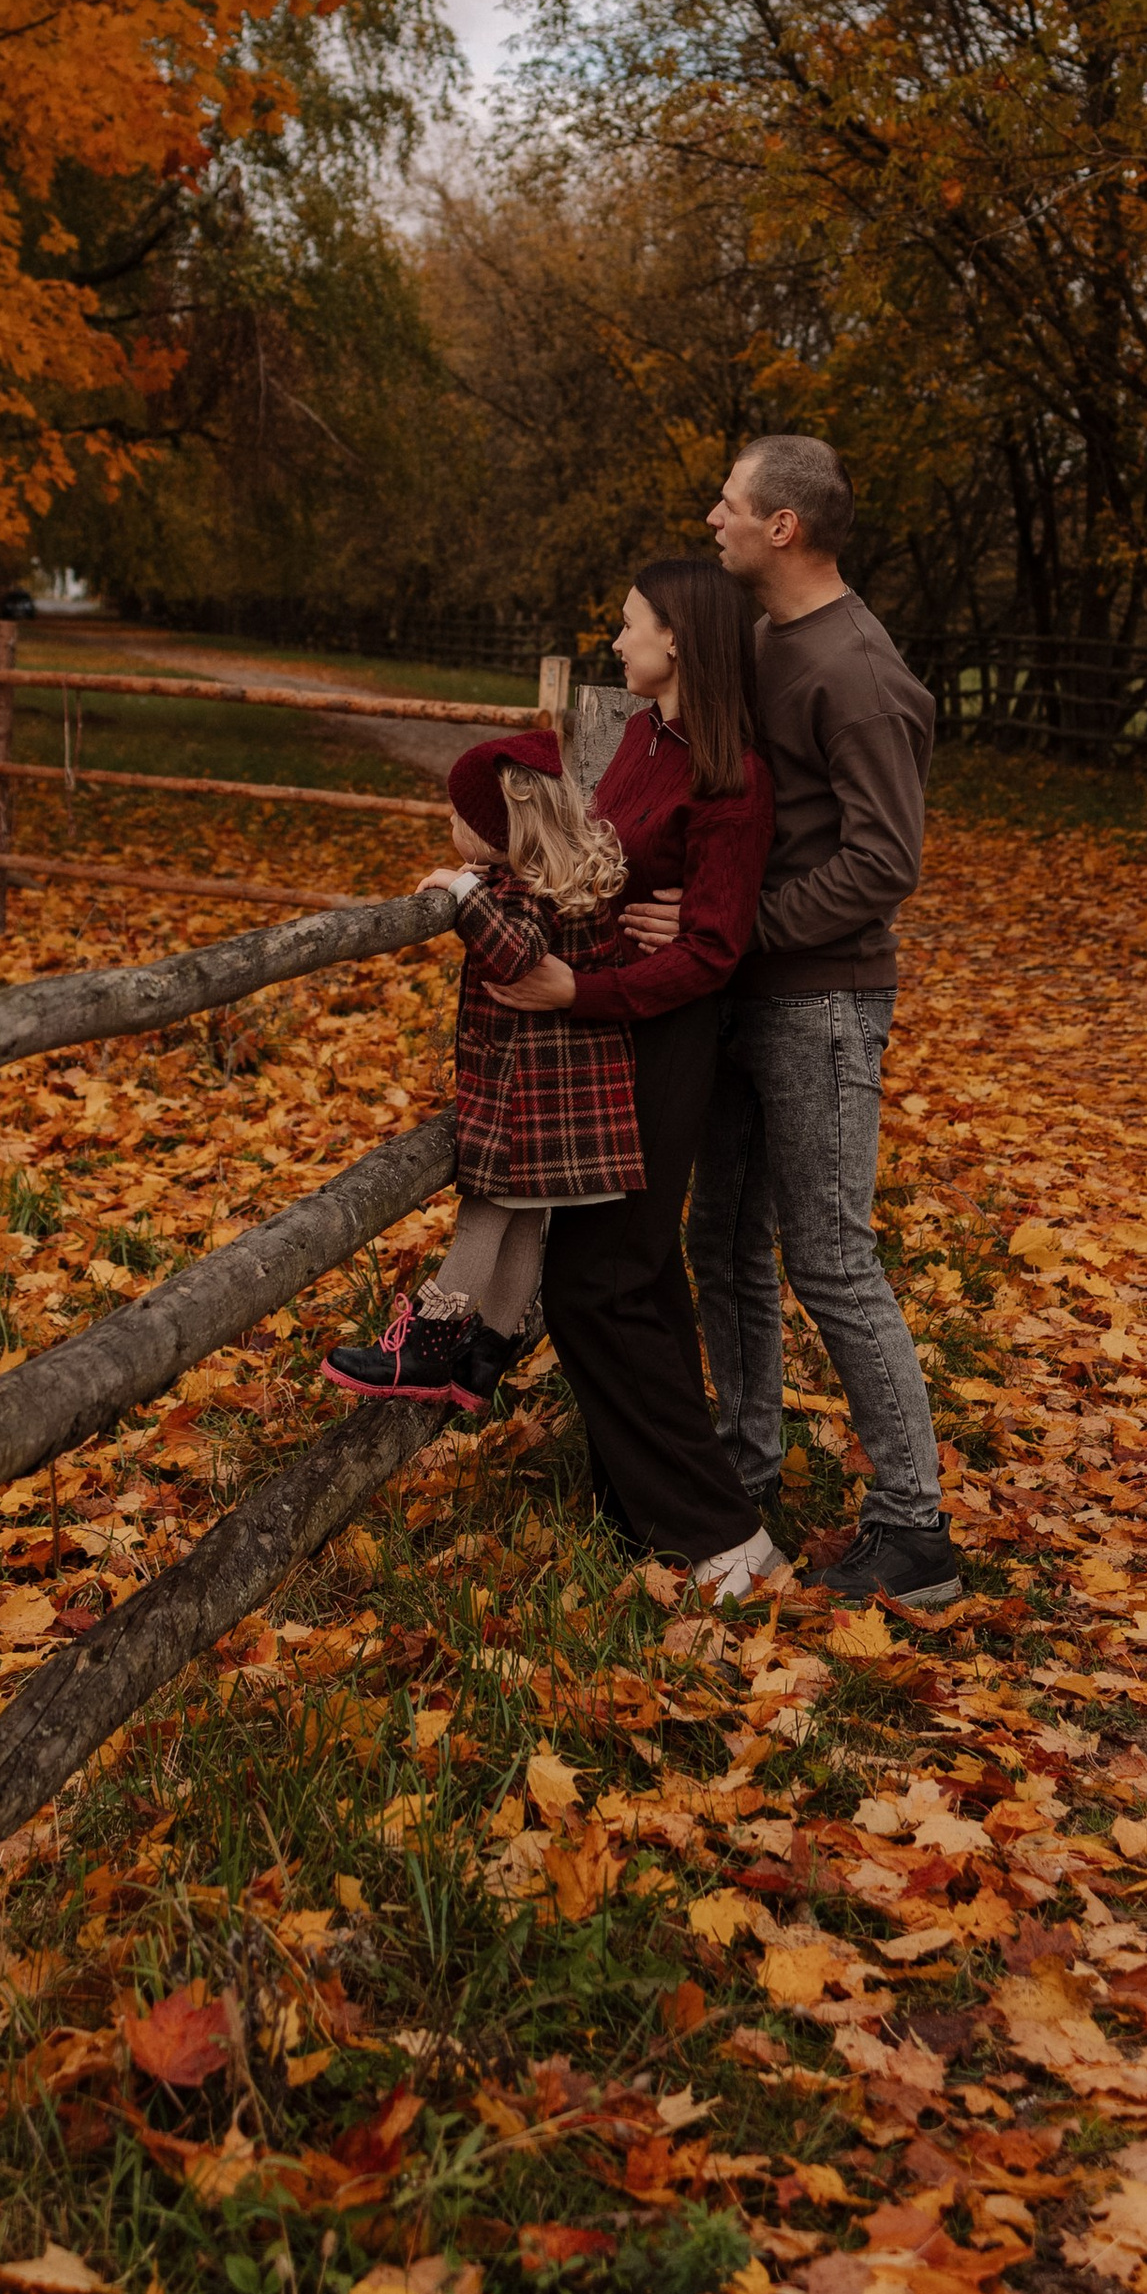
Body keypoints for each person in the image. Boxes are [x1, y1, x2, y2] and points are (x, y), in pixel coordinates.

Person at [685, 435, 959, 1615]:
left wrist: (740, 930)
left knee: (833, 1261)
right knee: (721, 1244)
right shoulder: (764, 643)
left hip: (824, 1003)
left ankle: (916, 1532)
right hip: (747, 998)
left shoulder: (856, 669)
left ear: (783, 526)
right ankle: (743, 1472)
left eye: (730, 504)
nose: (714, 517)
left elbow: (883, 863)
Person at [480, 557, 784, 1601]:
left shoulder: (729, 775)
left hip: (663, 1044)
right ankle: (644, 1514)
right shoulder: (645, 739)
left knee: (597, 1286)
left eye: (630, 626)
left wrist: (578, 993)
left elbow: (710, 953)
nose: (617, 642)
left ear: (677, 640)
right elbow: (600, 868)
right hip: (613, 1032)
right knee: (635, 1282)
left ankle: (723, 1537)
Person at [320, 745, 642, 1419]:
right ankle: (485, 1355)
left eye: (457, 814)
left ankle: (426, 1349)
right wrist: (481, 880)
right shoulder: (548, 876)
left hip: (526, 1102)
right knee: (524, 1229)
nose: (448, 823)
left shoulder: (526, 889)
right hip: (552, 1100)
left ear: (502, 832)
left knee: (481, 1223)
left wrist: (464, 890)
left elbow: (516, 952)